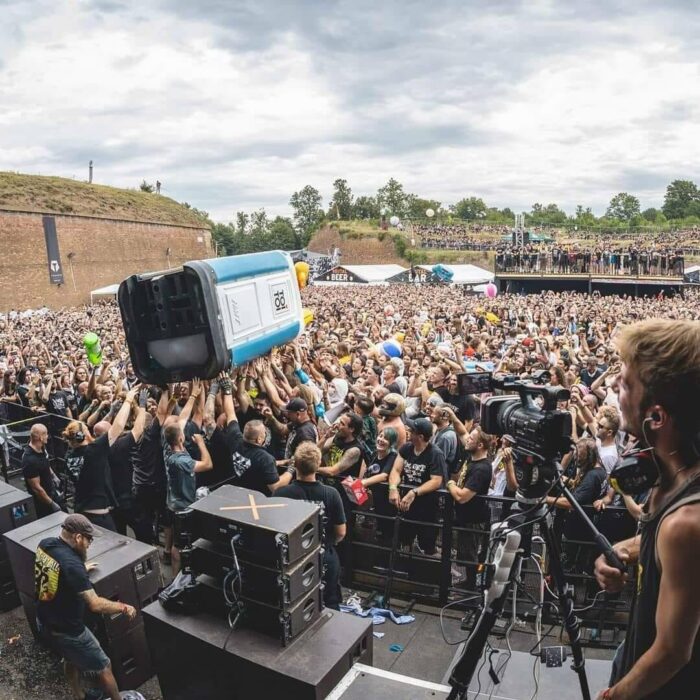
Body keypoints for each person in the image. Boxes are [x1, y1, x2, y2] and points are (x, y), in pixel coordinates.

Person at [593, 320, 700, 700]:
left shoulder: (687, 523)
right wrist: (628, 549)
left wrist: (616, 696)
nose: (615, 390)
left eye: (624, 383)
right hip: (634, 654)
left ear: (656, 417)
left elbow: (672, 651)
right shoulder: (672, 468)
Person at [35, 514, 137, 700]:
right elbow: (95, 604)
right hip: (68, 630)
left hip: (44, 619)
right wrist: (123, 607)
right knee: (104, 666)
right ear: (78, 538)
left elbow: (59, 570)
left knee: (70, 658)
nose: (90, 543)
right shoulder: (73, 566)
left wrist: (80, 569)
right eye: (88, 539)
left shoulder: (46, 544)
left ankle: (78, 696)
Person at [275, 442, 346, 610]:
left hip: (291, 559)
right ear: (318, 465)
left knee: (294, 604)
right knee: (329, 602)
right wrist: (331, 542)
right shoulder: (331, 494)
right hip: (323, 554)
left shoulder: (281, 494)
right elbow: (341, 532)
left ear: (296, 465)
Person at [63, 389, 138, 531]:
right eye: (87, 429)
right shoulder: (94, 450)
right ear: (83, 435)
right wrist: (128, 400)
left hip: (81, 512)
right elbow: (118, 427)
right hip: (99, 516)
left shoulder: (69, 456)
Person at [218, 374, 294, 494]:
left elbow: (230, 414)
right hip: (260, 501)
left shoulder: (236, 440)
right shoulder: (265, 459)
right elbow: (275, 487)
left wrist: (227, 390)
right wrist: (290, 469)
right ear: (259, 439)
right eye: (264, 434)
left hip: (240, 493)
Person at [388, 417, 445, 555]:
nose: (408, 432)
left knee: (427, 544)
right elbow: (396, 470)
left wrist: (414, 492)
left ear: (420, 436)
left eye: (411, 430)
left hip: (427, 507)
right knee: (404, 539)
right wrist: (393, 488)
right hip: (406, 505)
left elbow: (436, 480)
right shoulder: (407, 448)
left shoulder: (435, 454)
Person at [446, 425, 494, 589]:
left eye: (472, 439)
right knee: (462, 554)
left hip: (473, 519)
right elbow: (461, 432)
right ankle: (463, 585)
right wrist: (452, 415)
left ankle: (468, 590)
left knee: (468, 556)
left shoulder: (482, 468)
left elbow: (462, 497)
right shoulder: (471, 457)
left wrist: (450, 483)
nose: (468, 440)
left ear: (480, 445)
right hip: (463, 517)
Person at [163, 421, 212, 575]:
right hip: (181, 509)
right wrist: (201, 443)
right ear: (180, 439)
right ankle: (175, 580)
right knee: (177, 547)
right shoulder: (182, 461)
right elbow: (207, 464)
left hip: (172, 504)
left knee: (176, 542)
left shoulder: (168, 451)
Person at [22, 423, 63, 517]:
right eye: (46, 434)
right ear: (40, 437)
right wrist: (51, 504)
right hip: (43, 501)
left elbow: (45, 462)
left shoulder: (41, 448)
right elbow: (36, 488)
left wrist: (53, 476)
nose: (47, 436)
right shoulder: (30, 460)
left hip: (52, 491)